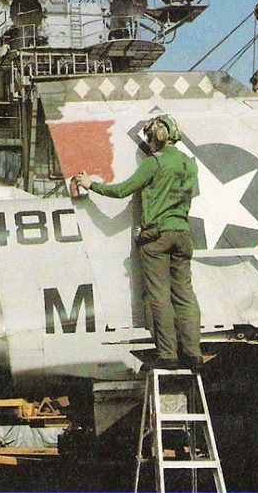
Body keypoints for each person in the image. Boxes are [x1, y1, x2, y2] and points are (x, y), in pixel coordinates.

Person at [73, 114, 202, 372]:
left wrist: (91, 184)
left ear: (159, 136)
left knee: (160, 296)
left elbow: (122, 190)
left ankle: (168, 355)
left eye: (150, 136)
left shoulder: (154, 163)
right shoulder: (190, 164)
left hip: (156, 237)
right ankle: (194, 354)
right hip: (182, 233)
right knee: (185, 295)